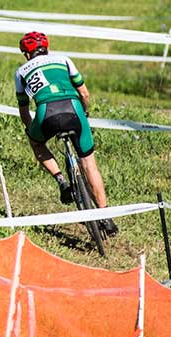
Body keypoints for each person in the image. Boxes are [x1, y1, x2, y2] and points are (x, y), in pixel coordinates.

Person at [14, 31, 116, 235]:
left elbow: (24, 111)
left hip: (46, 113)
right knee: (89, 164)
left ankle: (62, 181)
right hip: (74, 109)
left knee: (36, 142)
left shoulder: (21, 72)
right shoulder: (64, 60)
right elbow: (84, 93)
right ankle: (106, 216)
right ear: (47, 48)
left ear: (26, 54)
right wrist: (84, 112)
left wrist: (30, 131)